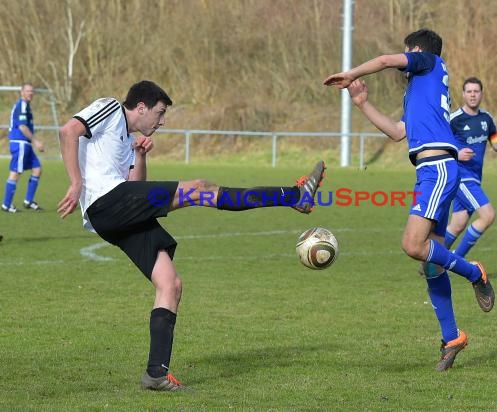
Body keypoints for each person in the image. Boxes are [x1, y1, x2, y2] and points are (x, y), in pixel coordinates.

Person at [57, 80, 326, 391]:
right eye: (159, 113)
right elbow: (69, 131)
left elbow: (136, 184)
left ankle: (155, 373)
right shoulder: (110, 108)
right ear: (140, 108)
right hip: (107, 204)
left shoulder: (126, 139)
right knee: (201, 189)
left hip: (117, 212)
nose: (162, 121)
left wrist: (140, 156)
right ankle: (294, 195)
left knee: (170, 284)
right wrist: (75, 182)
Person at [324, 29, 494, 371]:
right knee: (430, 262)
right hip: (428, 172)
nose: (403, 60)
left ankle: (474, 272)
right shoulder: (421, 92)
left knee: (413, 245)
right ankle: (452, 337)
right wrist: (362, 103)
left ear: (416, 51)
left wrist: (351, 73)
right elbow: (398, 132)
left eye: (407, 53)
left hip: (438, 169)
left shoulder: (429, 62)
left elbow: (387, 60)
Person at [445, 77, 497, 258]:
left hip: (475, 178)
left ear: (481, 94)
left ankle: (429, 261)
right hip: (460, 176)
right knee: (488, 215)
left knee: (458, 223)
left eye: (476, 91)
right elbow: (440, 146)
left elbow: (496, 145)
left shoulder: (486, 119)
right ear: (463, 94)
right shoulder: (454, 119)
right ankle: (456, 260)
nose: (473, 95)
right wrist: (456, 154)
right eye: (469, 91)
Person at [2, 83, 45, 213]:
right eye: (27, 91)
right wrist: (36, 141)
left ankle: (28, 201)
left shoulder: (26, 107)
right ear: (22, 92)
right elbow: (22, 127)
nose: (30, 93)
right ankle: (6, 204)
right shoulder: (22, 105)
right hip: (20, 143)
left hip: (25, 144)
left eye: (32, 91)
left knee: (37, 169)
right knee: (15, 173)